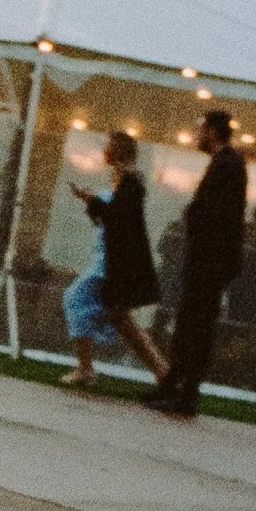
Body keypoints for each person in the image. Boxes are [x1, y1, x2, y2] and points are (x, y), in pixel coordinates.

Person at [144, 108, 247, 420]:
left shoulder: (227, 164)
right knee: (191, 323)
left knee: (196, 325)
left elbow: (218, 214)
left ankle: (184, 393)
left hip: (209, 262)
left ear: (213, 131)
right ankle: (174, 384)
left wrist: (195, 219)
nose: (198, 136)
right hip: (209, 261)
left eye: (202, 130)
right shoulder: (228, 163)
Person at [60, 129, 167, 391]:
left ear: (117, 150)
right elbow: (110, 220)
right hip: (111, 259)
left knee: (76, 298)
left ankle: (85, 368)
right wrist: (92, 202)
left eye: (108, 146)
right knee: (122, 319)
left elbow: (117, 219)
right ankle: (164, 373)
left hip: (113, 262)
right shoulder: (124, 180)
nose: (104, 150)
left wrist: (92, 200)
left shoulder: (131, 181)